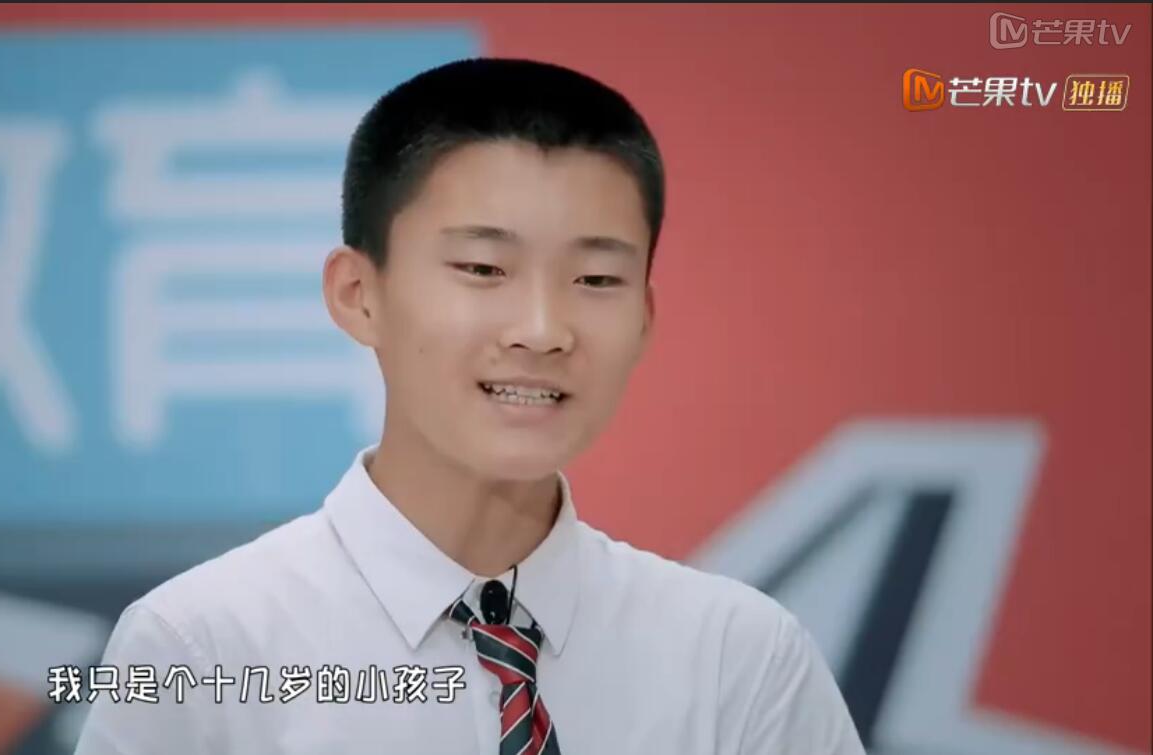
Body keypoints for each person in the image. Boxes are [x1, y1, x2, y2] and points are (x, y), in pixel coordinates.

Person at [73, 57, 863, 755]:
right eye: (483, 268)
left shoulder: (739, 660)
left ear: (645, 319)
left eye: (595, 279)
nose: (542, 329)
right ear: (358, 293)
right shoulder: (201, 648)